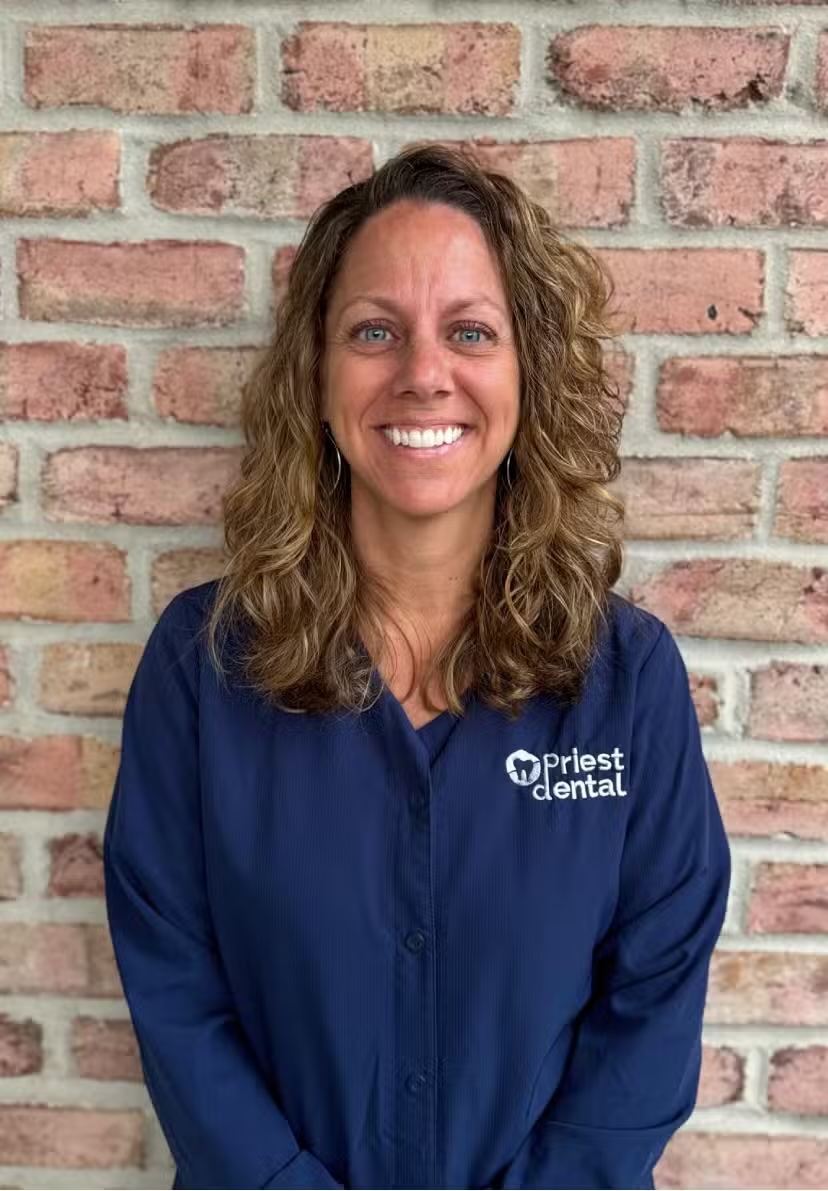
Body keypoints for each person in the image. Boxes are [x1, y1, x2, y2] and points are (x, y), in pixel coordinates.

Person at [103, 142, 731, 1190]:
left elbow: (653, 1009)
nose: (423, 373)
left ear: (528, 372)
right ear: (316, 375)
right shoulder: (202, 664)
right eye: (374, 331)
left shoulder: (628, 683)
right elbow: (176, 992)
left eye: (470, 331)